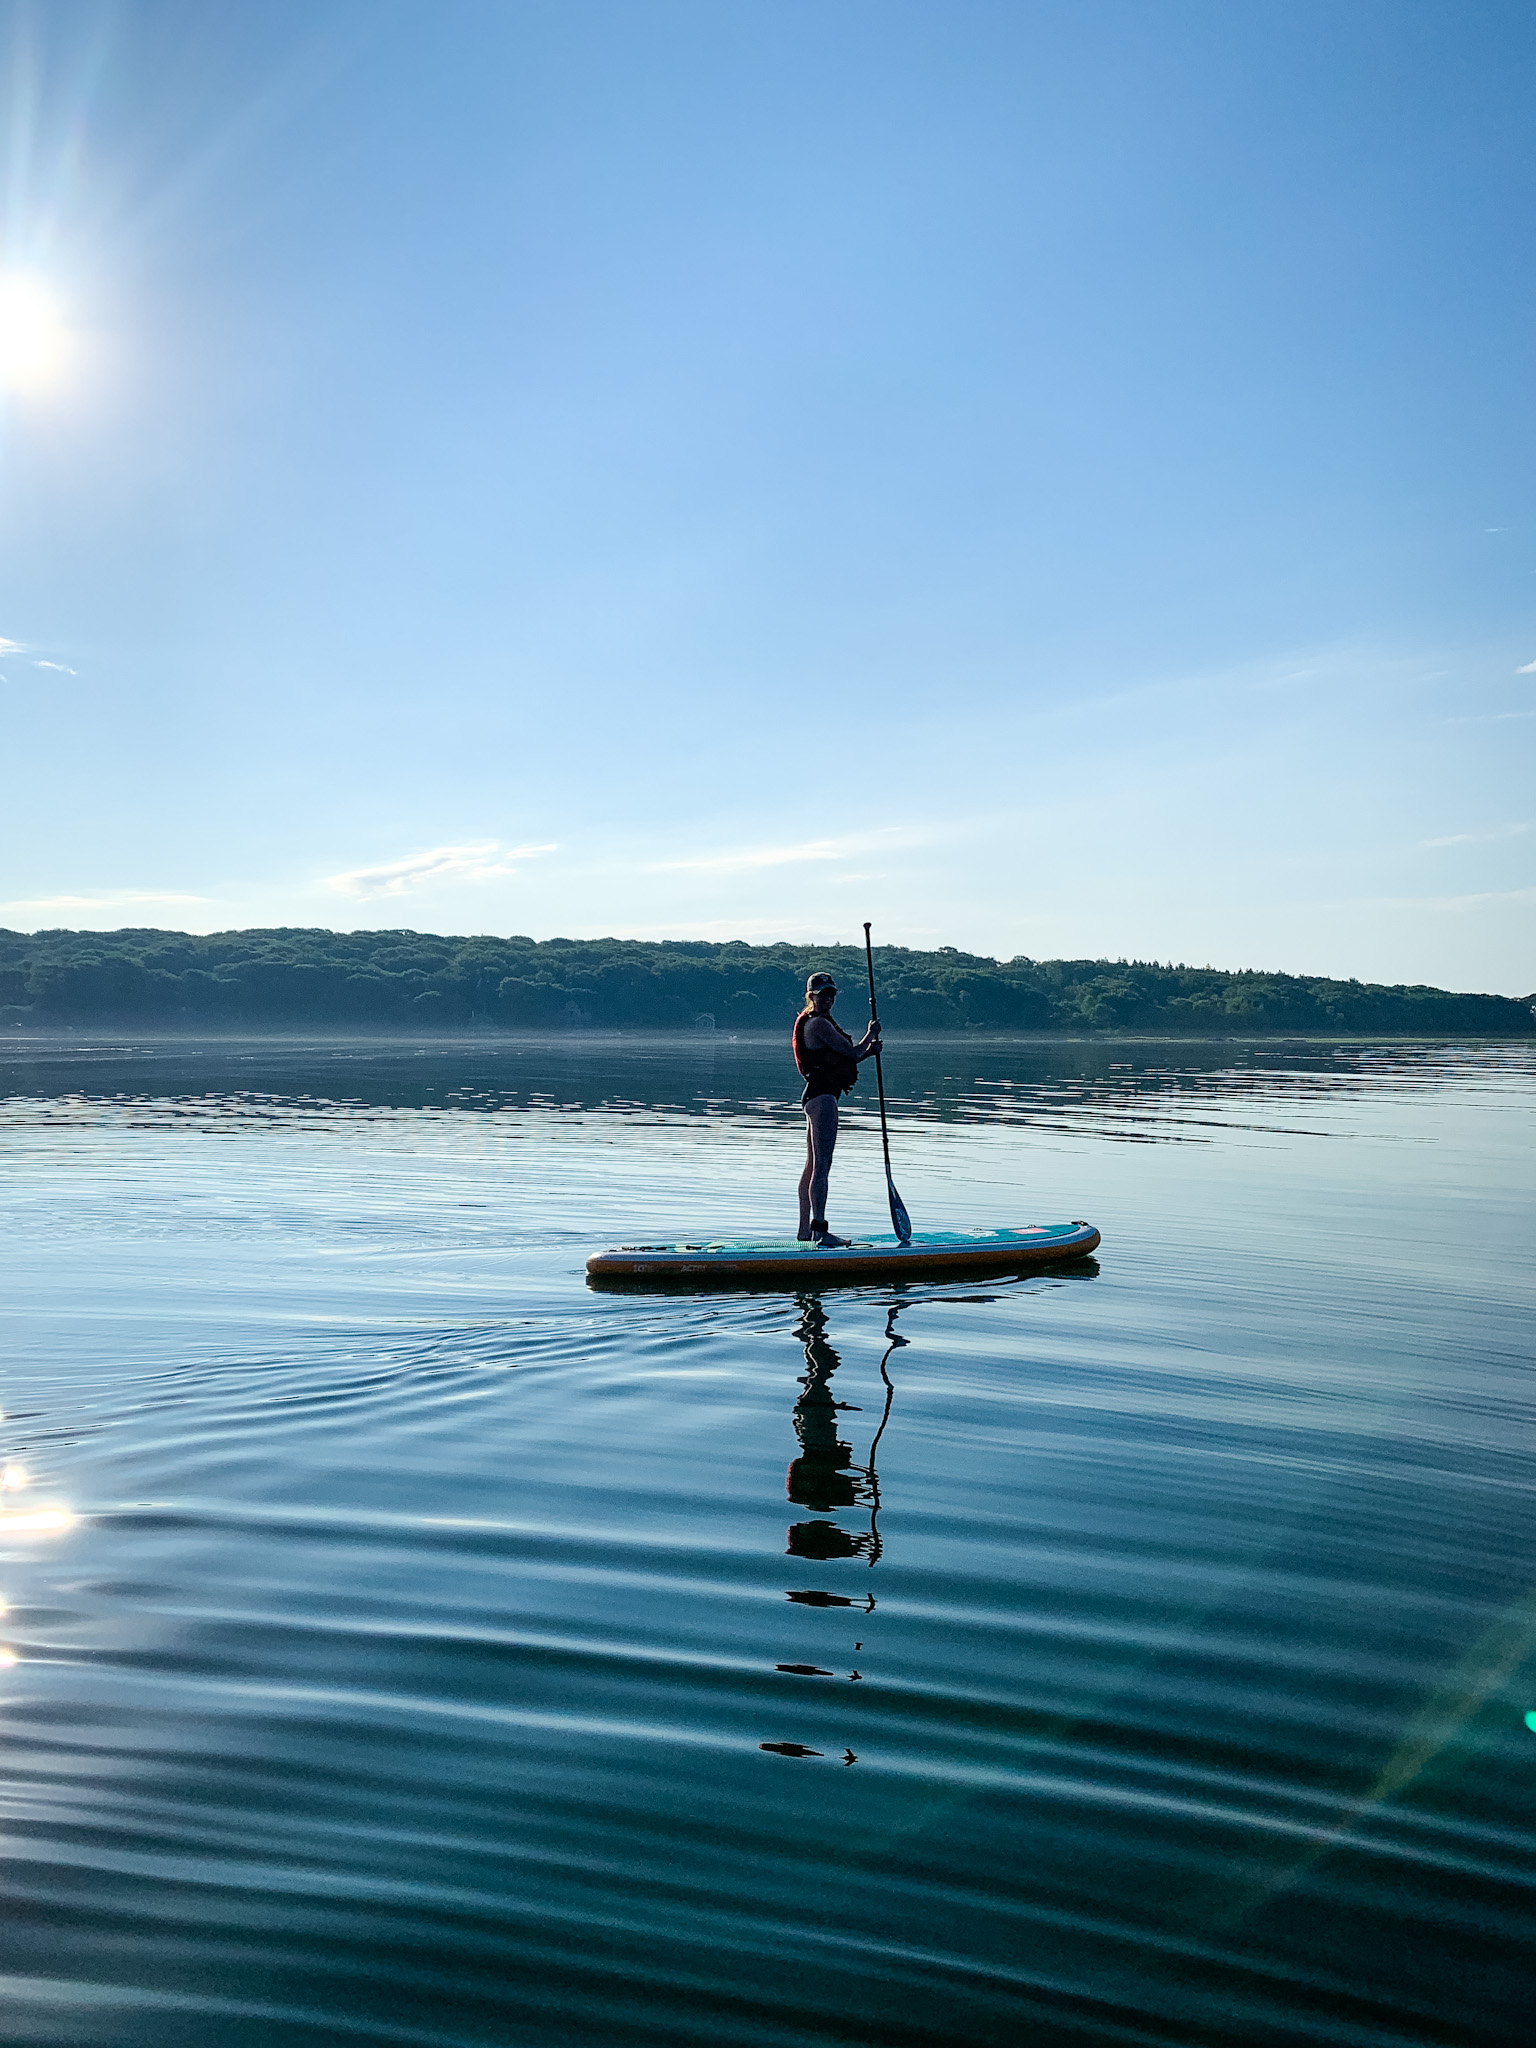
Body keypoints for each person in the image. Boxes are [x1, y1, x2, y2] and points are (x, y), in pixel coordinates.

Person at [793, 971, 881, 1245]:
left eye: (832, 994)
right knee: (822, 1166)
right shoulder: (818, 1024)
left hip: (816, 1097)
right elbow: (852, 1052)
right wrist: (871, 1035)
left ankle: (804, 1231)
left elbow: (848, 1057)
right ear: (811, 997)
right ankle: (819, 1231)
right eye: (822, 995)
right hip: (823, 1099)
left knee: (812, 1166)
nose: (828, 999)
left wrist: (868, 1050)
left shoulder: (815, 1021)